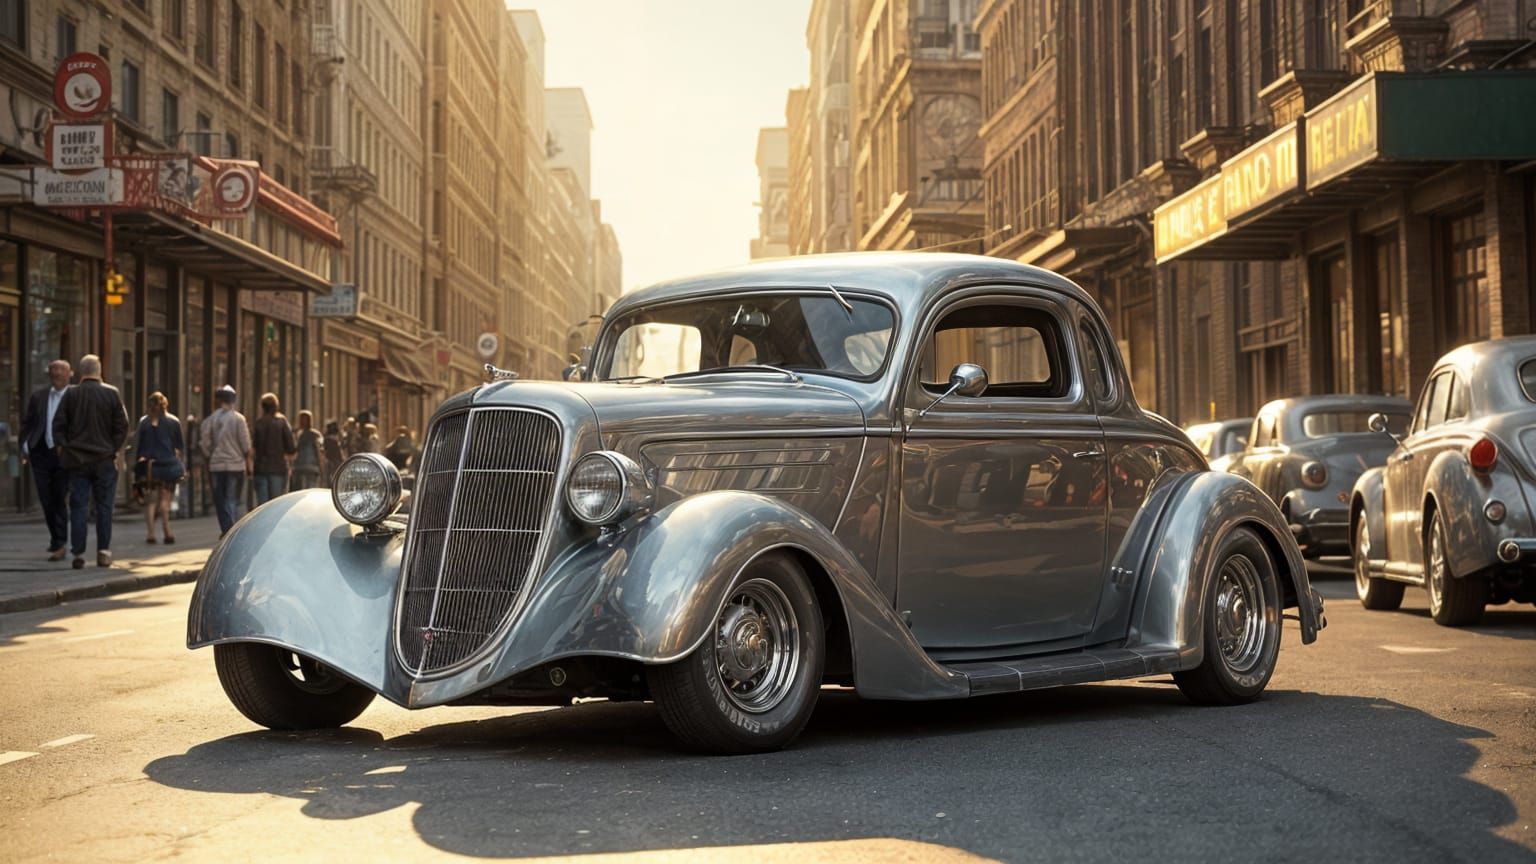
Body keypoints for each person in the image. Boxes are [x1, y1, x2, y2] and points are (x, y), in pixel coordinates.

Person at [51, 354, 128, 569]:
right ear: (99, 370)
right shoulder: (111, 394)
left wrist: (64, 447)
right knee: (104, 506)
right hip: (104, 458)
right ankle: (103, 551)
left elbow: (58, 425)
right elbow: (122, 425)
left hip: (77, 459)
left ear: (81, 371)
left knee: (78, 506)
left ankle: (78, 553)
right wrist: (113, 449)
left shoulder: (71, 394)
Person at [19, 359, 72, 560]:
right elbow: (28, 423)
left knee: (59, 497)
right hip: (40, 452)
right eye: (53, 371)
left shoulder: (74, 396)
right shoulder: (39, 396)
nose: (56, 374)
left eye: (61, 370)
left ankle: (59, 542)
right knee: (46, 498)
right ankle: (57, 539)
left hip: (63, 454)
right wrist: (25, 445)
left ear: (70, 374)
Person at [133, 392, 186, 544]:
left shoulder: (144, 422)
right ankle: (167, 530)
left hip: (149, 467)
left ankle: (151, 533)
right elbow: (179, 446)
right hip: (168, 466)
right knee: (165, 501)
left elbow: (138, 447)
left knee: (151, 501)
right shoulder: (173, 421)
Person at [199, 385, 251, 536]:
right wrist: (245, 458)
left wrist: (211, 455)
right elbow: (245, 444)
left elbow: (205, 443)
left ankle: (226, 528)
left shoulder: (210, 420)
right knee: (232, 498)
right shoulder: (239, 419)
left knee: (220, 500)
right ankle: (232, 529)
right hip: (235, 465)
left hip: (216, 465)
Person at [250, 392, 296, 505]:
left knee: (263, 505)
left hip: (260, 468)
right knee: (276, 504)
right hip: (278, 468)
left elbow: (254, 445)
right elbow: (291, 447)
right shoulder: (282, 422)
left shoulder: (259, 423)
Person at [291, 410, 323, 490]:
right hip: (303, 468)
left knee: (306, 490)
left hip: (308, 467)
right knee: (308, 490)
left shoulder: (312, 434)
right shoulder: (299, 434)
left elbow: (318, 452)